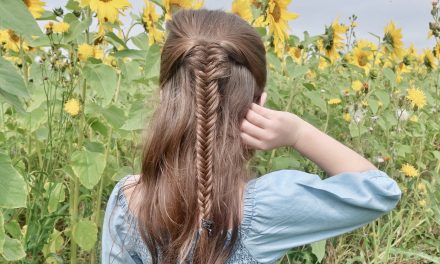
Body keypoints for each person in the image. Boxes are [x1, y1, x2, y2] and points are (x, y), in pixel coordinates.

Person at [101, 8, 402, 264]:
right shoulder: (266, 206)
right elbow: (379, 190)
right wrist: (298, 132)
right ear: (258, 106)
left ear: (166, 100)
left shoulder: (126, 200)